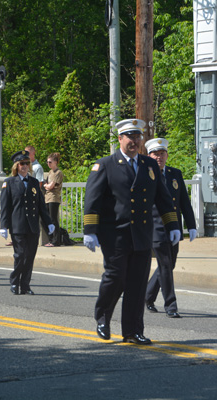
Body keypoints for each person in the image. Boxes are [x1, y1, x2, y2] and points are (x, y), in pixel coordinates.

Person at [83, 119, 181, 345]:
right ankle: (103, 318)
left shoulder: (149, 165)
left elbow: (163, 198)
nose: (135, 141)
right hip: (115, 234)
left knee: (137, 284)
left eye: (138, 137)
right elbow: (92, 200)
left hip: (142, 235)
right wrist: (90, 230)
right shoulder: (106, 165)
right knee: (115, 278)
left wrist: (172, 225)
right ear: (120, 139)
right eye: (130, 137)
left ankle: (133, 330)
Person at [144, 138, 197, 319]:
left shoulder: (175, 174)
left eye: (162, 153)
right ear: (149, 155)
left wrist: (191, 225)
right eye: (155, 154)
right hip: (155, 226)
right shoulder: (144, 174)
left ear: (167, 155)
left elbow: (184, 201)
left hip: (173, 227)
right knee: (165, 264)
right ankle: (171, 305)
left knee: (169, 264)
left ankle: (148, 296)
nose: (159, 157)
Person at [0, 150, 54, 295]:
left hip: (32, 226)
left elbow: (41, 206)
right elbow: (5, 207)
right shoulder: (9, 183)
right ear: (16, 166)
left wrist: (48, 222)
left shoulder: (34, 182)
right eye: (22, 164)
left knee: (30, 257)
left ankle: (25, 285)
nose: (24, 166)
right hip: (17, 226)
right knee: (20, 255)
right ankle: (14, 281)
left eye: (27, 163)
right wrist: (3, 226)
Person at [44, 152, 63, 247]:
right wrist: (46, 186)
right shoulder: (50, 172)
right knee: (44, 220)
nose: (48, 164)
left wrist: (47, 186)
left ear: (55, 162)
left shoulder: (58, 173)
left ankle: (56, 241)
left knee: (53, 219)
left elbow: (51, 186)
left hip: (54, 198)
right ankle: (51, 239)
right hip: (47, 198)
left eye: (50, 162)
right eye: (47, 162)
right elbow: (46, 185)